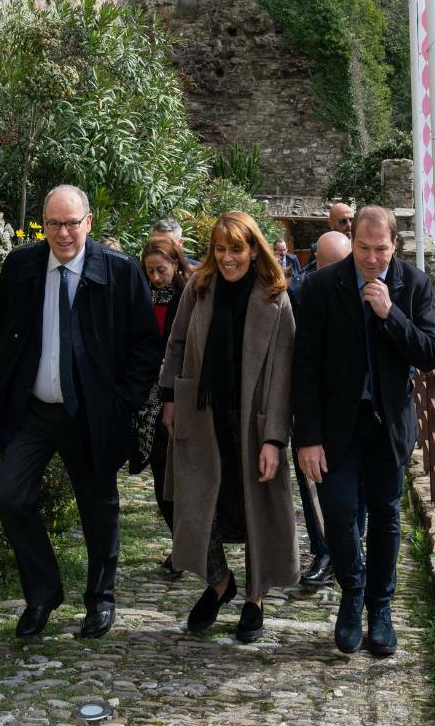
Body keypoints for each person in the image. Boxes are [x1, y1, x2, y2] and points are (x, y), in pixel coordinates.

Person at [0, 186, 162, 641]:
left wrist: (122, 402)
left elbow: (145, 346)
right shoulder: (22, 265)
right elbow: (0, 328)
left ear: (89, 222)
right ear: (43, 224)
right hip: (33, 410)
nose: (64, 233)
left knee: (99, 508)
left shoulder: (120, 272)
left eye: (72, 222)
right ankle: (43, 594)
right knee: (10, 495)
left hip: (92, 413)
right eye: (54, 223)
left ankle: (100, 598)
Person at [293, 205, 435, 658]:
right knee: (338, 514)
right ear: (350, 240)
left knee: (385, 515)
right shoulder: (321, 285)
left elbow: (431, 353)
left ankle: (379, 608)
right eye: (363, 248)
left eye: (381, 249)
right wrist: (307, 437)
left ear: (394, 245)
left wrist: (390, 313)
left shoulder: (414, 284)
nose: (372, 258)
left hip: (387, 426)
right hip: (337, 427)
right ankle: (351, 593)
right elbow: (306, 367)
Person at [160, 211, 299, 643]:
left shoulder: (275, 298)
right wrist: (169, 397)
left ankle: (255, 597)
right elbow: (177, 343)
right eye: (220, 250)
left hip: (254, 420)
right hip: (201, 416)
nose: (227, 258)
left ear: (253, 248)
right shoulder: (200, 288)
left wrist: (275, 438)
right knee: (197, 503)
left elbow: (283, 375)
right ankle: (220, 583)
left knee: (257, 507)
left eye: (235, 249)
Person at [287, 228, 361, 590]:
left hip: (350, 410)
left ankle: (350, 553)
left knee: (352, 490)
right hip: (311, 405)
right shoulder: (299, 294)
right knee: (311, 481)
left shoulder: (364, 289)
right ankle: (323, 551)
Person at [132, 233, 191, 573]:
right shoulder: (141, 297)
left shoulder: (189, 296)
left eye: (162, 270)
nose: (156, 277)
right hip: (149, 401)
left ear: (175, 265)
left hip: (181, 397)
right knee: (160, 474)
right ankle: (180, 545)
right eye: (151, 270)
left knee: (182, 477)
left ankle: (189, 546)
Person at [304, 202, 354, 272]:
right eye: (343, 221)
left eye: (352, 220)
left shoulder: (363, 245)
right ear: (331, 224)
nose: (349, 225)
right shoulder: (320, 247)